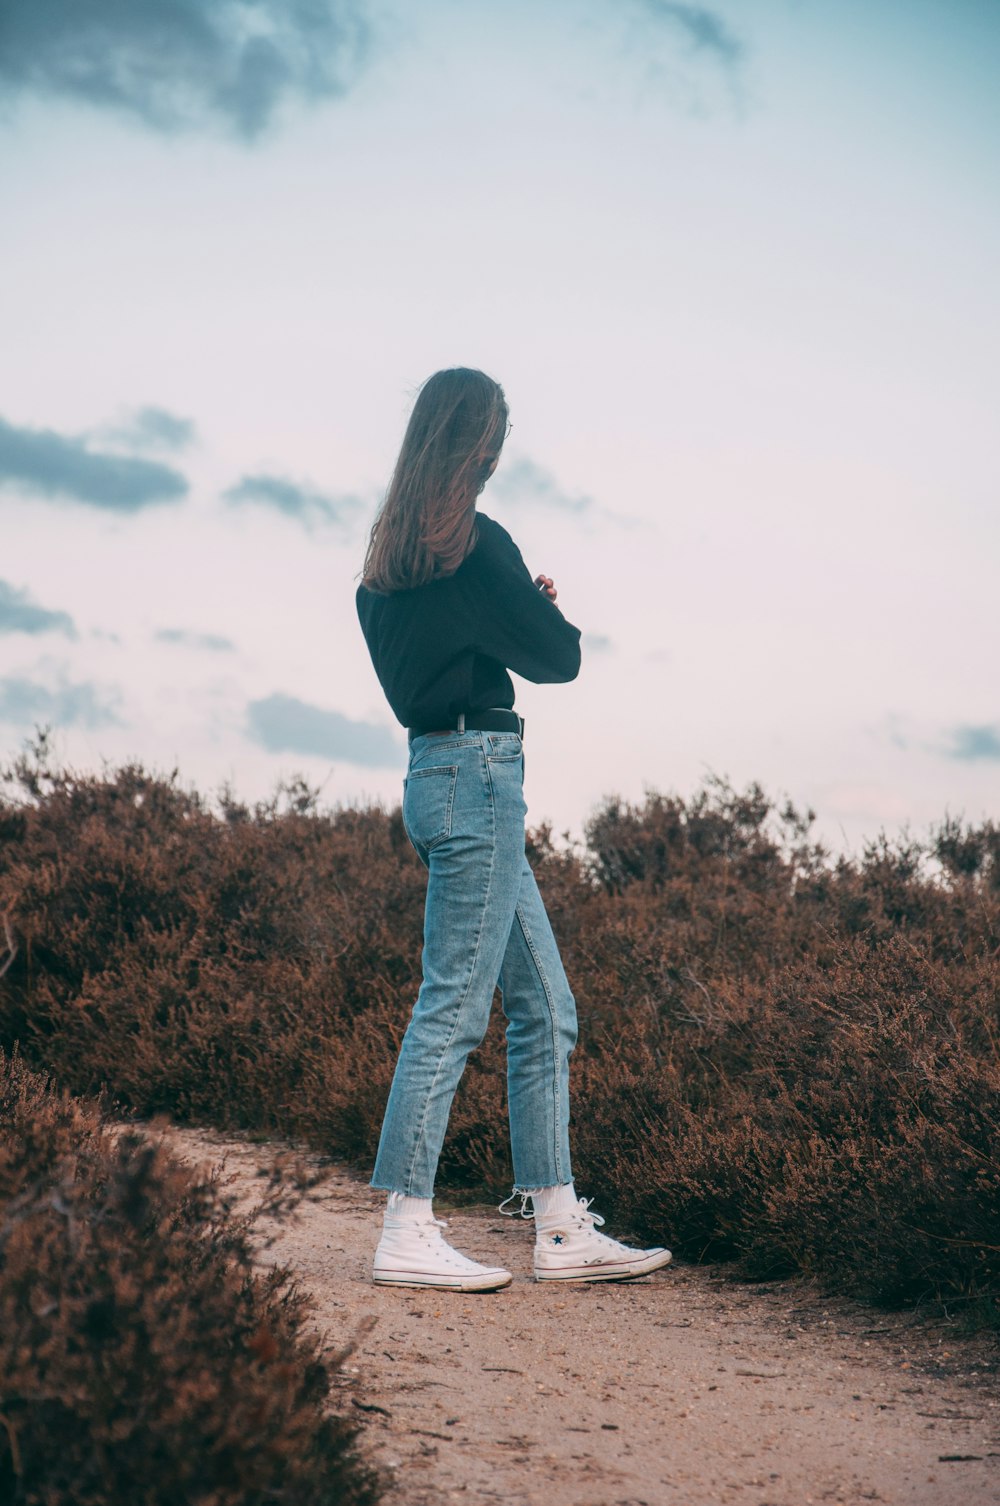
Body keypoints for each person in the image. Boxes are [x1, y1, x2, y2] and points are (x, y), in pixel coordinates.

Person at [355, 366, 672, 1291]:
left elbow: (438, 666)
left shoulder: (379, 582)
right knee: (452, 1005)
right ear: (478, 448)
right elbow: (560, 658)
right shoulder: (480, 548)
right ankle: (406, 1228)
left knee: (546, 1007)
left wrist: (501, 620)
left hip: (433, 777)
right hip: (482, 781)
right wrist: (530, 607)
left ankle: (560, 1226)